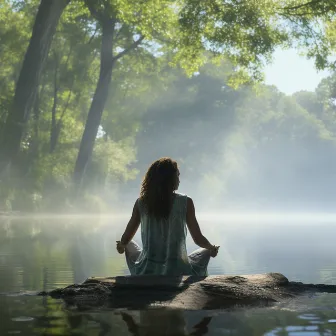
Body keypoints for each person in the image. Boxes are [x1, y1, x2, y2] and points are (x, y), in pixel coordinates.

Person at [116, 157, 219, 276]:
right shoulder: (186, 202)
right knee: (205, 251)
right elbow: (198, 238)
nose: (179, 180)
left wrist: (122, 246)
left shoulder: (141, 203)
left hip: (147, 269)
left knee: (129, 244)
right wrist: (212, 248)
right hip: (177, 269)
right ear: (169, 178)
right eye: (178, 176)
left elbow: (126, 238)